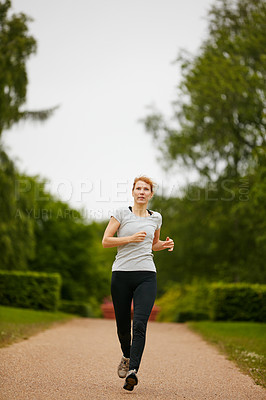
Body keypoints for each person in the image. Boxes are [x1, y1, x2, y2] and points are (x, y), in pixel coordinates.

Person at [102, 176, 174, 391]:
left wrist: (165, 244)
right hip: (121, 275)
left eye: (146, 189)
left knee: (140, 324)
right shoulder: (122, 213)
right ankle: (126, 355)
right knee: (123, 327)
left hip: (146, 276)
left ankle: (133, 371)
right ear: (133, 192)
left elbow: (152, 245)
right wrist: (129, 239)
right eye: (138, 188)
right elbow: (106, 241)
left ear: (151, 194)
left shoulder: (156, 218)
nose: (142, 192)